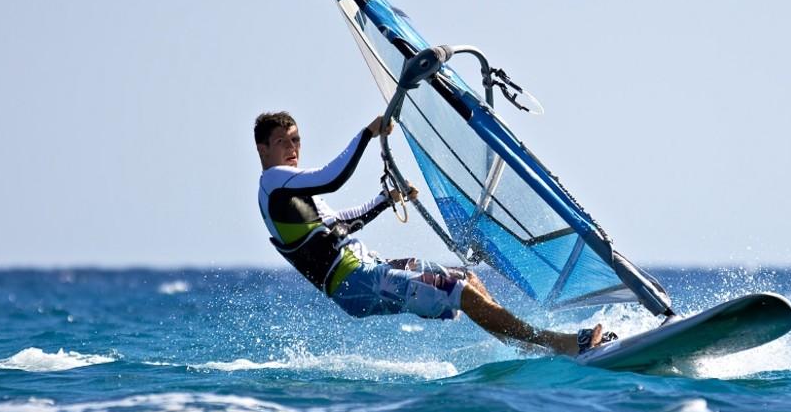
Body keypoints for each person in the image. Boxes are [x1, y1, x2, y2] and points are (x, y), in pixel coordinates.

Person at [254, 111, 613, 355]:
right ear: (262, 149)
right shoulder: (274, 182)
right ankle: (559, 344)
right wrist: (367, 134)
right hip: (355, 281)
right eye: (283, 142)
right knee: (459, 293)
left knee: (466, 280)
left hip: (365, 271)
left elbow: (339, 225)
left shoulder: (290, 190)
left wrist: (385, 200)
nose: (293, 149)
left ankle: (528, 345)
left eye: (296, 140)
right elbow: (332, 178)